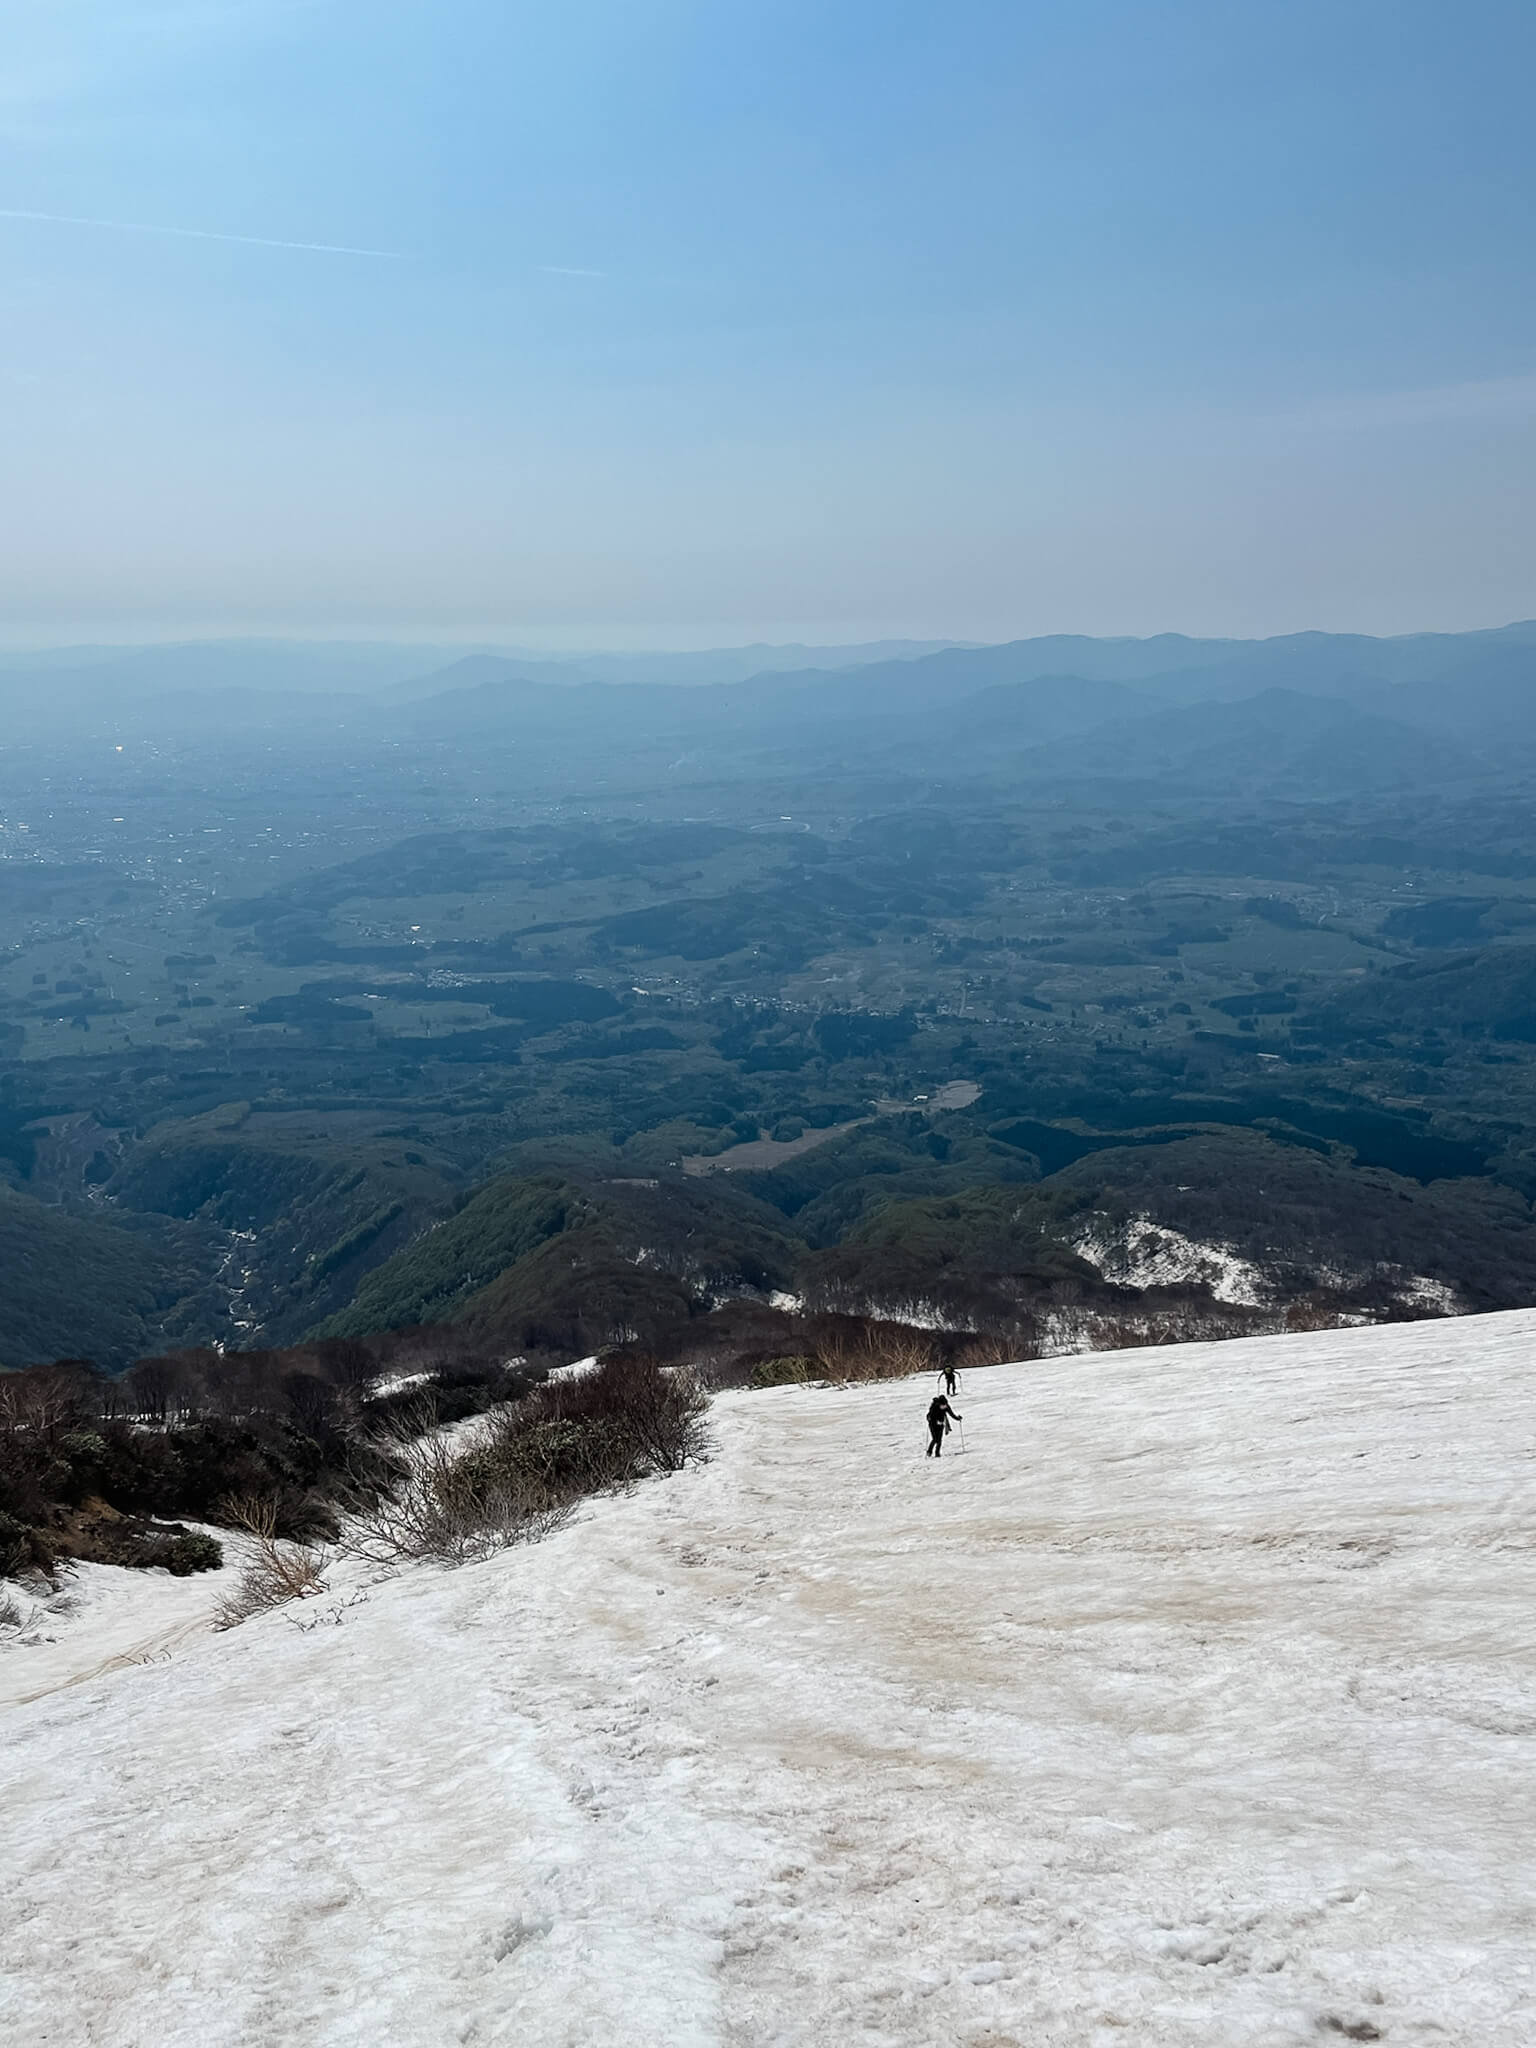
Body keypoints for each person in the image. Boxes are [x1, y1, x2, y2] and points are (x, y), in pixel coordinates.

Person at [926, 1392, 961, 1457]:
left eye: (945, 1405)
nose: (944, 1406)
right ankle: (929, 1451)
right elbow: (929, 1416)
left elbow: (951, 1414)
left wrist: (957, 1418)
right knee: (935, 1438)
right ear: (939, 1404)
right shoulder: (935, 1407)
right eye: (943, 1405)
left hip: (941, 1424)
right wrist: (933, 1420)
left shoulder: (946, 1406)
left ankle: (937, 1453)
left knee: (939, 1439)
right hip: (932, 1424)